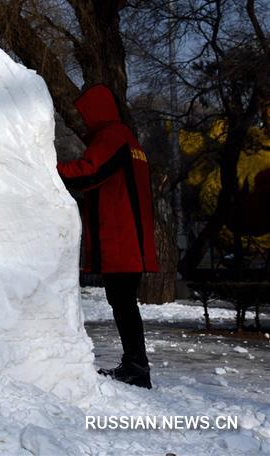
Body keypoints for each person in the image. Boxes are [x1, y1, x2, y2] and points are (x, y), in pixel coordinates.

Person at [57, 84, 158, 389]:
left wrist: (50, 169)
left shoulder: (112, 137)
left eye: (86, 113)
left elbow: (89, 171)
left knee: (123, 302)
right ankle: (135, 364)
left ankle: (137, 367)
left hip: (121, 237)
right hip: (130, 237)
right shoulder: (129, 139)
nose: (84, 120)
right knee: (124, 302)